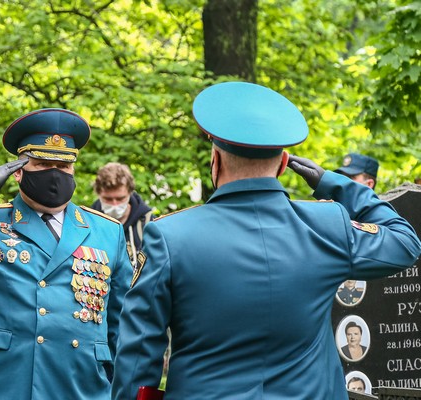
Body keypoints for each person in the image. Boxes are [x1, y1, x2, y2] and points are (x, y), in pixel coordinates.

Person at [111, 82, 421, 400]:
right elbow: (406, 242)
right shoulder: (327, 226)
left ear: (215, 159)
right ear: (285, 163)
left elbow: (137, 358)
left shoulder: (170, 236)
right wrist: (334, 183)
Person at [0, 108, 133, 399]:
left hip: (81, 387)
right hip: (9, 384)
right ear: (18, 172)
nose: (55, 174)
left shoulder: (106, 230)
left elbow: (124, 321)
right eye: (42, 164)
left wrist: (123, 386)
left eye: (64, 166)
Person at [91, 162, 154, 268]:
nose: (115, 204)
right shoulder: (89, 224)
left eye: (120, 198)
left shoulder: (148, 224)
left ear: (130, 192)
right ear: (98, 194)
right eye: (108, 199)